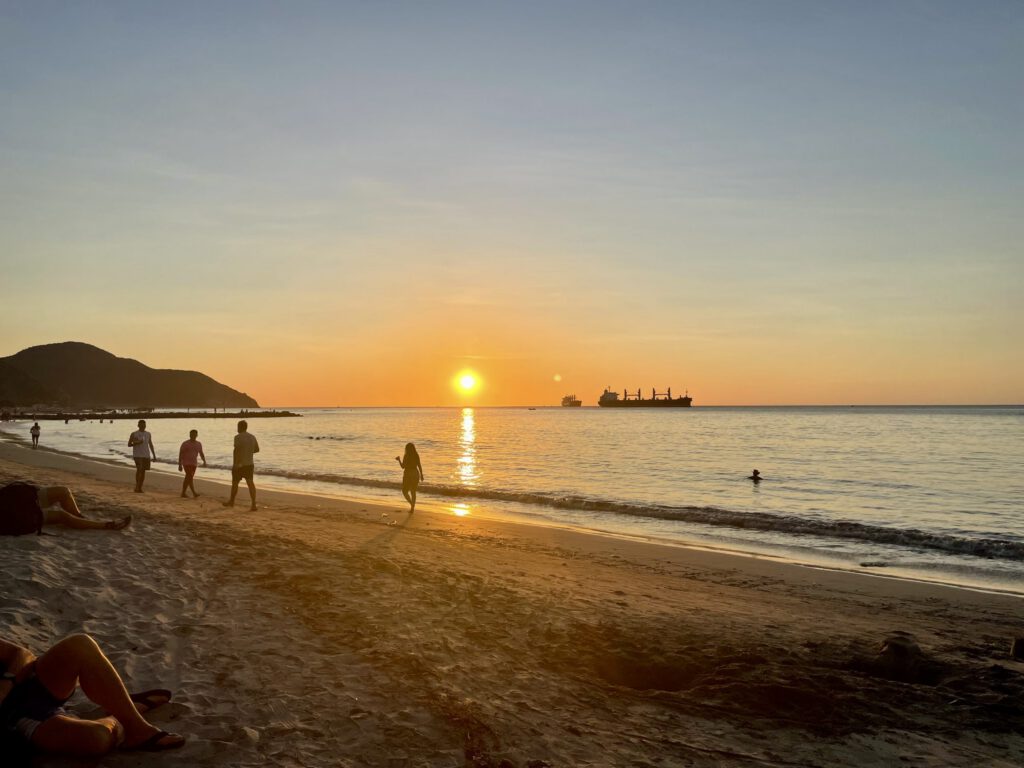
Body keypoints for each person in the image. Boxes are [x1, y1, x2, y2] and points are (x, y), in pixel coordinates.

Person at [0, 634, 185, 755]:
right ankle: (122, 711)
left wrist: (6, 684)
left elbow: (23, 654)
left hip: (30, 682)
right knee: (97, 739)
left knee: (80, 645)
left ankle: (137, 727)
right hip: (18, 718)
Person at [0, 482, 132, 532]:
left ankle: (81, 518)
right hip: (11, 515)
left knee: (63, 491)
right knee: (62, 516)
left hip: (14, 497)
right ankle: (106, 525)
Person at [223, 420, 259, 511]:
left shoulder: (237, 437)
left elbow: (236, 450)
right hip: (249, 464)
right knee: (250, 483)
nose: (237, 428)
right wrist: (248, 452)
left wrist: (235, 464)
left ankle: (232, 501)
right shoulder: (252, 437)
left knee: (235, 483)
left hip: (239, 464)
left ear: (240, 427)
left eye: (238, 427)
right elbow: (257, 449)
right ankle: (253, 504)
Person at [127, 420, 156, 493]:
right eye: (141, 425)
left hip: (146, 455)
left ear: (145, 426)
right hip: (137, 455)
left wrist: (154, 455)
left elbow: (150, 444)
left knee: (143, 471)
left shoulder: (148, 434)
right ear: (138, 426)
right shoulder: (134, 434)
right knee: (139, 469)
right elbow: (129, 444)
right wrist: (137, 443)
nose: (143, 426)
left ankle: (140, 487)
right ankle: (137, 487)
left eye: (144, 425)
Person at [177, 430, 207, 499]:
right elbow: (180, 454)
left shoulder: (199, 444)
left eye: (194, 435)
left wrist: (204, 461)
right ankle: (192, 493)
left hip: (194, 464)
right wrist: (180, 464)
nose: (192, 436)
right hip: (186, 463)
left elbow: (201, 453)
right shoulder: (185, 443)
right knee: (189, 476)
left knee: (189, 478)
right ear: (189, 435)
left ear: (196, 435)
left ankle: (185, 493)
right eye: (191, 434)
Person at [395, 443, 424, 512]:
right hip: (415, 473)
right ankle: (412, 507)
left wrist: (399, 460)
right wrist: (421, 475)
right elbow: (419, 465)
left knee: (404, 491)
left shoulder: (406, 455)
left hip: (408, 474)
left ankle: (411, 504)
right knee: (413, 492)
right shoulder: (416, 455)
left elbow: (403, 466)